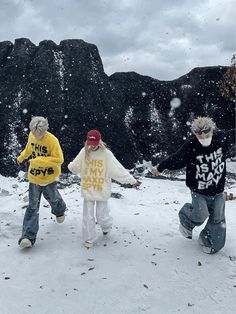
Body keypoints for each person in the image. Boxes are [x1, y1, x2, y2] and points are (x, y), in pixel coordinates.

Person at [154, 117, 235, 254]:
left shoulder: (222, 138)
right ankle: (186, 219)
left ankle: (210, 241)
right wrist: (161, 167)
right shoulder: (191, 146)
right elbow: (176, 159)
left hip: (218, 190)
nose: (203, 137)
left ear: (212, 130)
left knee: (218, 218)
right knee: (200, 214)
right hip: (199, 191)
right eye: (199, 134)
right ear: (195, 134)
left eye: (207, 133)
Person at [68, 129, 138, 248]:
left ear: (99, 142)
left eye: (94, 144)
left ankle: (106, 227)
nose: (92, 146)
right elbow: (76, 166)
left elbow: (117, 169)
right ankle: (90, 239)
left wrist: (131, 180)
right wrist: (71, 167)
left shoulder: (106, 154)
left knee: (102, 216)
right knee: (88, 216)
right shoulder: (83, 152)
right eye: (90, 143)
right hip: (88, 187)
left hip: (102, 189)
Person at [17, 116, 67, 249]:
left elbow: (59, 159)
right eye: (34, 133)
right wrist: (22, 157)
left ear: (44, 130)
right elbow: (29, 148)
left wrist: (39, 161)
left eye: (39, 133)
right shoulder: (32, 135)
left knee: (53, 198)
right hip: (34, 177)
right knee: (32, 207)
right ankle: (28, 237)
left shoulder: (52, 141)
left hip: (49, 177)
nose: (36, 136)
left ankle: (60, 210)